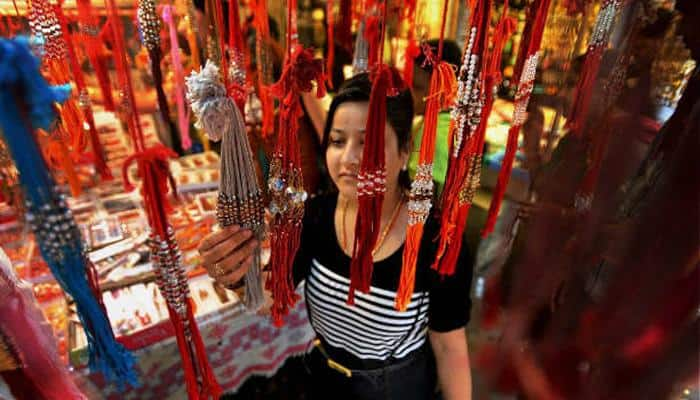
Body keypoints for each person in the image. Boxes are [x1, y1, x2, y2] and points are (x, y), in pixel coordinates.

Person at [198, 73, 473, 400]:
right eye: (338, 141)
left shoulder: (436, 240)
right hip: (326, 378)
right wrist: (236, 277)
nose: (348, 159)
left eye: (369, 143)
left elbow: (449, 347)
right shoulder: (314, 216)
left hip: (395, 388)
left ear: (404, 153)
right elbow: (269, 301)